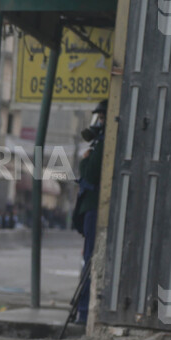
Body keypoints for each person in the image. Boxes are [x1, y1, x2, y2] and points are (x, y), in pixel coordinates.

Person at [72, 99, 107, 325]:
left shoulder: (103, 143)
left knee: (89, 262)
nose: (98, 122)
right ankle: (83, 311)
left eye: (101, 118)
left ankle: (84, 312)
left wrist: (84, 162)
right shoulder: (99, 141)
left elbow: (91, 174)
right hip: (91, 208)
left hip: (95, 208)